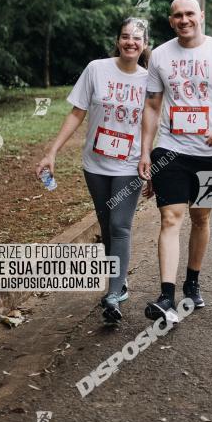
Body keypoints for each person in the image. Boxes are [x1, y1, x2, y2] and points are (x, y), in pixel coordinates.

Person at [138, 0, 212, 321]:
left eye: (189, 13)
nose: (184, 20)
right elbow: (152, 106)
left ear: (200, 15)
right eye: (177, 15)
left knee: (201, 218)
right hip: (170, 150)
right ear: (171, 20)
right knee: (171, 218)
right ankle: (165, 296)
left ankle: (192, 282)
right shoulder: (159, 55)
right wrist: (145, 151)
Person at [36, 18, 149, 324]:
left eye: (137, 38)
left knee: (120, 225)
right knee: (106, 221)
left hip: (130, 162)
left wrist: (152, 161)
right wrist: (52, 152)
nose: (130, 42)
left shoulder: (150, 80)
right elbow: (77, 112)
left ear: (145, 44)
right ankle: (120, 280)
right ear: (117, 41)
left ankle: (112, 295)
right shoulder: (96, 69)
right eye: (125, 37)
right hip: (95, 163)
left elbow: (153, 125)